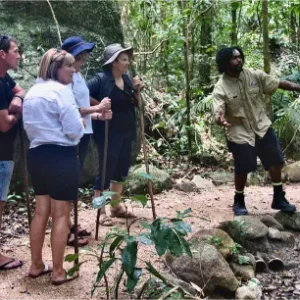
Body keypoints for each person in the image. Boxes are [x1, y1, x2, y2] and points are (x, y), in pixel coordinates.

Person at [213, 46, 300, 216]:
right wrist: (220, 118)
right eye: (234, 58)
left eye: (240, 57)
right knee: (243, 166)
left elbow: (277, 83)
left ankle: (278, 197)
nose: (239, 60)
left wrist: (297, 87)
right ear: (225, 63)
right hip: (239, 130)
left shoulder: (254, 75)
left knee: (276, 161)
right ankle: (239, 201)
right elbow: (218, 109)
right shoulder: (221, 87)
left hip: (261, 125)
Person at [23, 48, 84, 284]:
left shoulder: (32, 92)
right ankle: (58, 271)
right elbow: (73, 129)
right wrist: (79, 123)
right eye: (68, 66)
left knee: (40, 212)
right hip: (61, 155)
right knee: (60, 214)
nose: (73, 70)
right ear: (57, 69)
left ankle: (36, 264)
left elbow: (29, 128)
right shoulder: (61, 92)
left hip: (37, 154)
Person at [61, 36, 112, 246]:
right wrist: (97, 109)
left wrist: (98, 115)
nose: (84, 59)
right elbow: (70, 108)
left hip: (83, 132)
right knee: (66, 181)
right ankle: (63, 228)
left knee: (72, 180)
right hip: (71, 134)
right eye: (80, 56)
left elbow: (83, 103)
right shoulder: (65, 78)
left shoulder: (78, 76)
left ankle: (69, 223)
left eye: (84, 56)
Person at [87, 43, 143, 226]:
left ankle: (116, 206)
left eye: (128, 59)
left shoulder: (126, 79)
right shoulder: (100, 79)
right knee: (106, 169)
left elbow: (135, 104)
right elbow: (81, 95)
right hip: (108, 132)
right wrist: (99, 106)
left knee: (121, 168)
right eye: (124, 59)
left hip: (126, 131)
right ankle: (100, 210)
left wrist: (136, 90)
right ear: (113, 62)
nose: (128, 63)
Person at [0, 35, 25, 271]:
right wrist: (17, 112)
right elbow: (5, 124)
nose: (19, 55)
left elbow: (21, 90)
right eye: (15, 51)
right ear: (2, 54)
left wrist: (17, 98)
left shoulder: (5, 78)